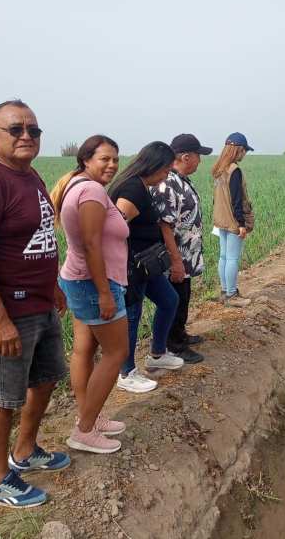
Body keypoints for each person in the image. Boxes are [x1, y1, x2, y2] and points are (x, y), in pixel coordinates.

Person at [0, 99, 70, 509]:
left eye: (33, 130)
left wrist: (52, 287)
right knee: (4, 396)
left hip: (40, 303)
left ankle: (25, 450)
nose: (27, 136)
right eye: (16, 129)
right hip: (9, 312)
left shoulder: (30, 175)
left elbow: (40, 236)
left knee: (46, 379)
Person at [51, 135, 129, 454]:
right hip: (94, 283)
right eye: (104, 159)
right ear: (86, 160)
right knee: (115, 353)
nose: (111, 165)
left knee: (84, 349)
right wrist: (104, 293)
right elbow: (91, 245)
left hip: (77, 279)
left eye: (115, 159)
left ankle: (90, 416)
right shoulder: (92, 191)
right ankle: (84, 429)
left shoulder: (75, 184)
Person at [109, 141, 183, 393]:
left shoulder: (141, 185)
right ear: (153, 165)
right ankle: (126, 372)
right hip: (131, 265)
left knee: (169, 299)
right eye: (165, 170)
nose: (166, 175)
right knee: (132, 315)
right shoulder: (132, 189)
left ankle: (157, 354)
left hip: (146, 264)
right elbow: (113, 229)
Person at [151, 133, 213, 364]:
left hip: (186, 257)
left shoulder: (181, 180)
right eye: (198, 156)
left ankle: (180, 335)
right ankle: (173, 345)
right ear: (186, 157)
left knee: (183, 297)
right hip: (176, 257)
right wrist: (175, 260)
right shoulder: (168, 183)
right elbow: (164, 225)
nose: (200, 161)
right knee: (174, 299)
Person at [212, 132, 255, 308]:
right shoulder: (234, 170)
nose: (244, 154)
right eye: (244, 151)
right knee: (232, 259)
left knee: (223, 256)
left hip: (220, 219)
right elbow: (237, 200)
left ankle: (224, 291)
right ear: (239, 150)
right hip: (232, 221)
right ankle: (231, 294)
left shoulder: (219, 170)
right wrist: (241, 224)